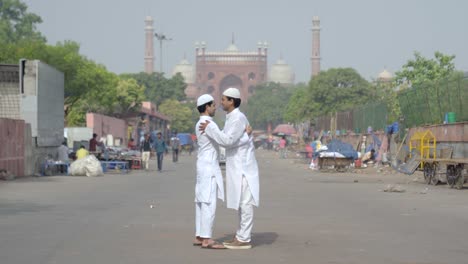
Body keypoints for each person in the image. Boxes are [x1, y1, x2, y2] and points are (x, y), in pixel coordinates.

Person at [199, 87, 259, 249]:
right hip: (237, 165)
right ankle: (241, 235)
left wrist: (211, 129)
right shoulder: (231, 117)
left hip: (244, 167)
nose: (221, 102)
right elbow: (227, 140)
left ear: (232, 101)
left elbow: (227, 141)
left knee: (245, 202)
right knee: (240, 202)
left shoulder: (238, 117)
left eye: (224, 99)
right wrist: (246, 136)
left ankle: (244, 238)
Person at [193, 94, 226, 249]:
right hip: (209, 167)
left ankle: (200, 235)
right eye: (213, 105)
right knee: (208, 202)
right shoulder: (209, 124)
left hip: (202, 165)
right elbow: (224, 140)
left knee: (200, 201)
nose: (215, 107)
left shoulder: (199, 122)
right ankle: (207, 239)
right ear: (206, 107)